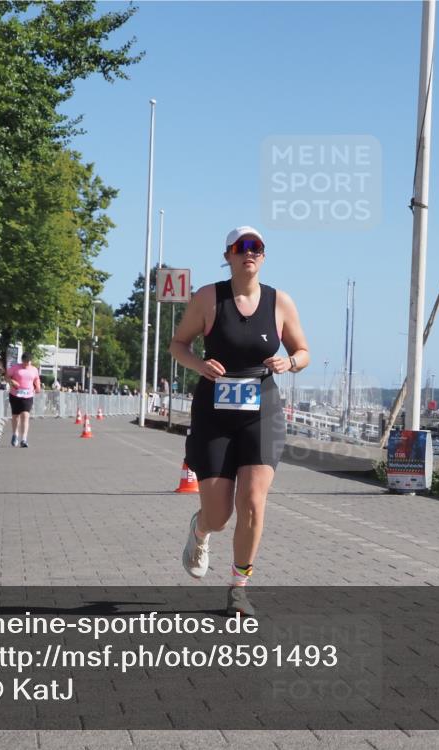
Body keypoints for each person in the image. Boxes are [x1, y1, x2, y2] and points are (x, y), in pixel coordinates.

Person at [169, 225, 310, 617]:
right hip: (214, 413)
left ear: (263, 256)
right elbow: (178, 345)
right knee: (219, 515)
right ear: (228, 255)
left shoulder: (280, 302)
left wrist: (290, 362)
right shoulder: (208, 298)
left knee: (252, 501)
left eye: (256, 247)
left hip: (262, 411)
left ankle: (238, 587)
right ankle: (200, 530)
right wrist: (199, 364)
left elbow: (304, 351)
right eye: (241, 247)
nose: (249, 252)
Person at [5, 352, 41, 447]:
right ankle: (15, 434)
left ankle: (24, 439)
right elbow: (6, 377)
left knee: (25, 415)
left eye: (28, 362)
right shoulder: (15, 368)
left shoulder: (34, 369)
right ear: (22, 360)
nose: (26, 363)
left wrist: (38, 386)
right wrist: (12, 381)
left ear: (31, 361)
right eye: (25, 362)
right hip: (15, 394)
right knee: (16, 416)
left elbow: (36, 379)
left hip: (28, 395)